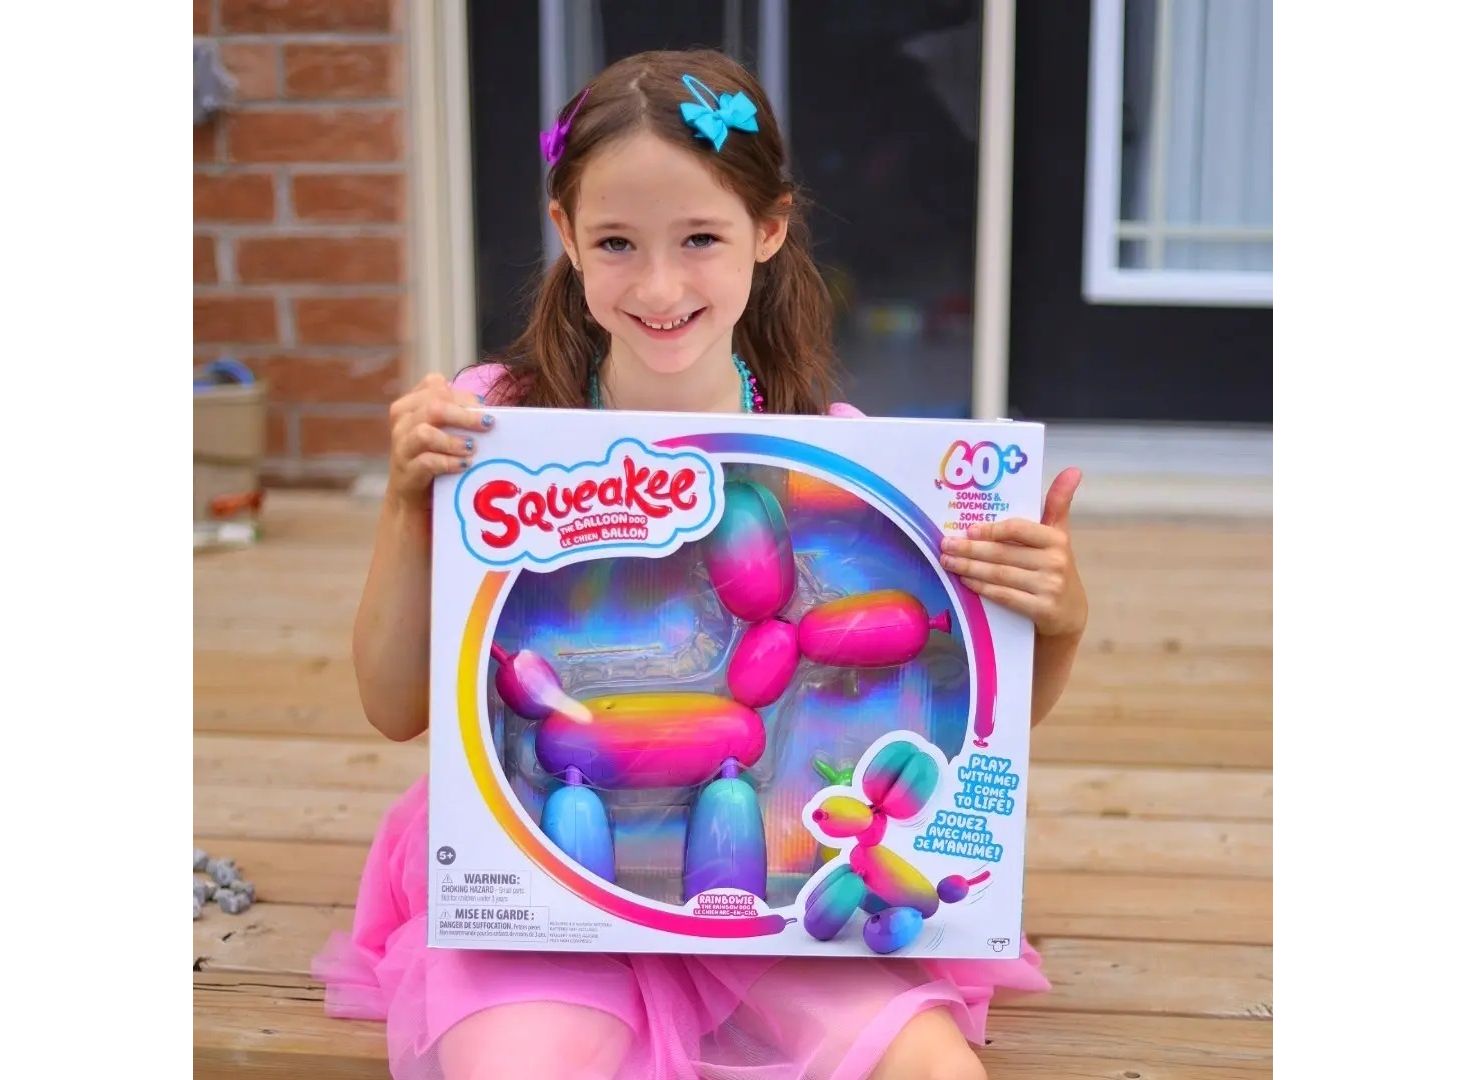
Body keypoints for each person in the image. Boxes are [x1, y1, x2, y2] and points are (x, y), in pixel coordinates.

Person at [315, 48, 1088, 1080]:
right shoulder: (492, 426)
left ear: (768, 230)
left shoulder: (840, 468)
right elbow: (391, 705)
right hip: (540, 877)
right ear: (565, 235)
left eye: (701, 239)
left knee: (933, 1070)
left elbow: (958, 722)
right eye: (616, 243)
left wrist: (1054, 622)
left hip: (774, 890)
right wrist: (408, 501)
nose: (660, 284)